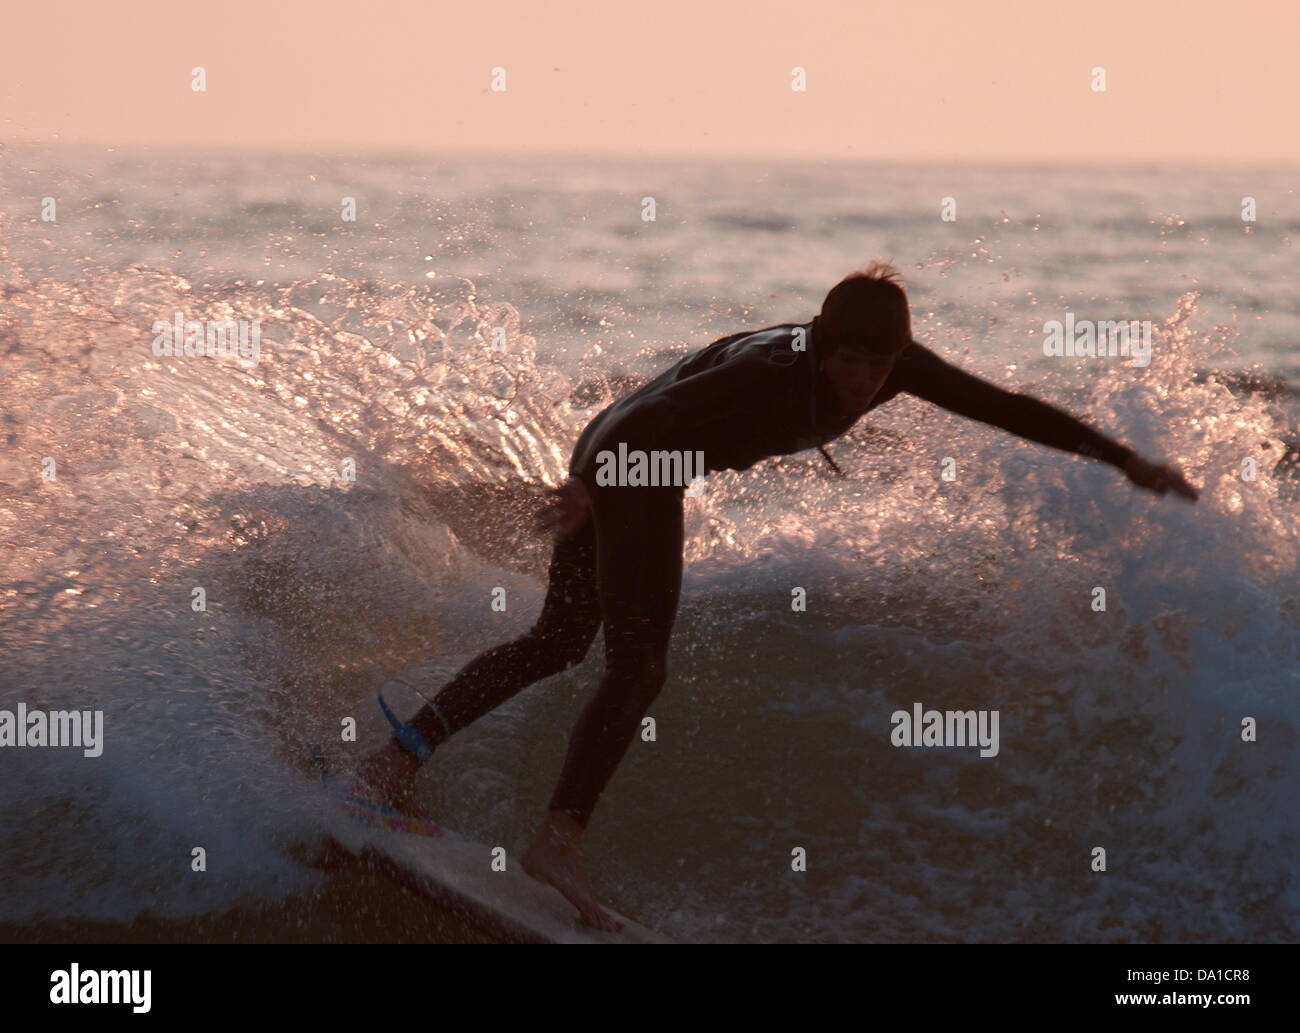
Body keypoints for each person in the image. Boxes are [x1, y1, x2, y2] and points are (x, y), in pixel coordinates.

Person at [352, 261, 1199, 931]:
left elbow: (1007, 407)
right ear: (824, 344)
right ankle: (556, 843)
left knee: (559, 641)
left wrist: (1124, 460)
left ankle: (394, 762)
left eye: (880, 365)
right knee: (638, 667)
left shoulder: (900, 367)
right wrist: (585, 488)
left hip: (631, 461)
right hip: (632, 464)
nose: (864, 381)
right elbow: (642, 419)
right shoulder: (772, 365)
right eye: (851, 362)